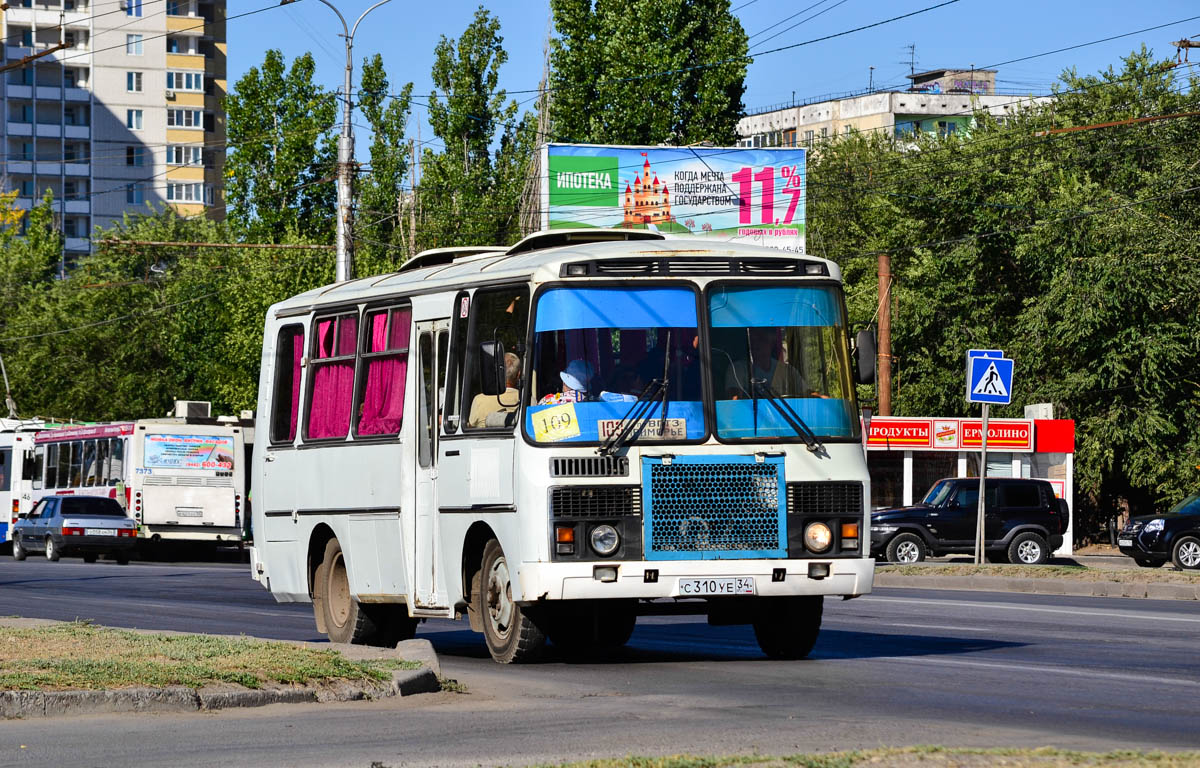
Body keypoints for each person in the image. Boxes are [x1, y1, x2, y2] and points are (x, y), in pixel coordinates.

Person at [724, 326, 811, 398]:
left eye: (761, 338)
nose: (756, 344)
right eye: (752, 340)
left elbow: (808, 393)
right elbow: (735, 401)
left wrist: (822, 398)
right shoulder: (737, 369)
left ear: (772, 341)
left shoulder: (786, 371)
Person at [468, 352, 521, 428]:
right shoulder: (527, 400)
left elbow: (470, 429)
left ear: (497, 373)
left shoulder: (479, 400)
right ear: (518, 375)